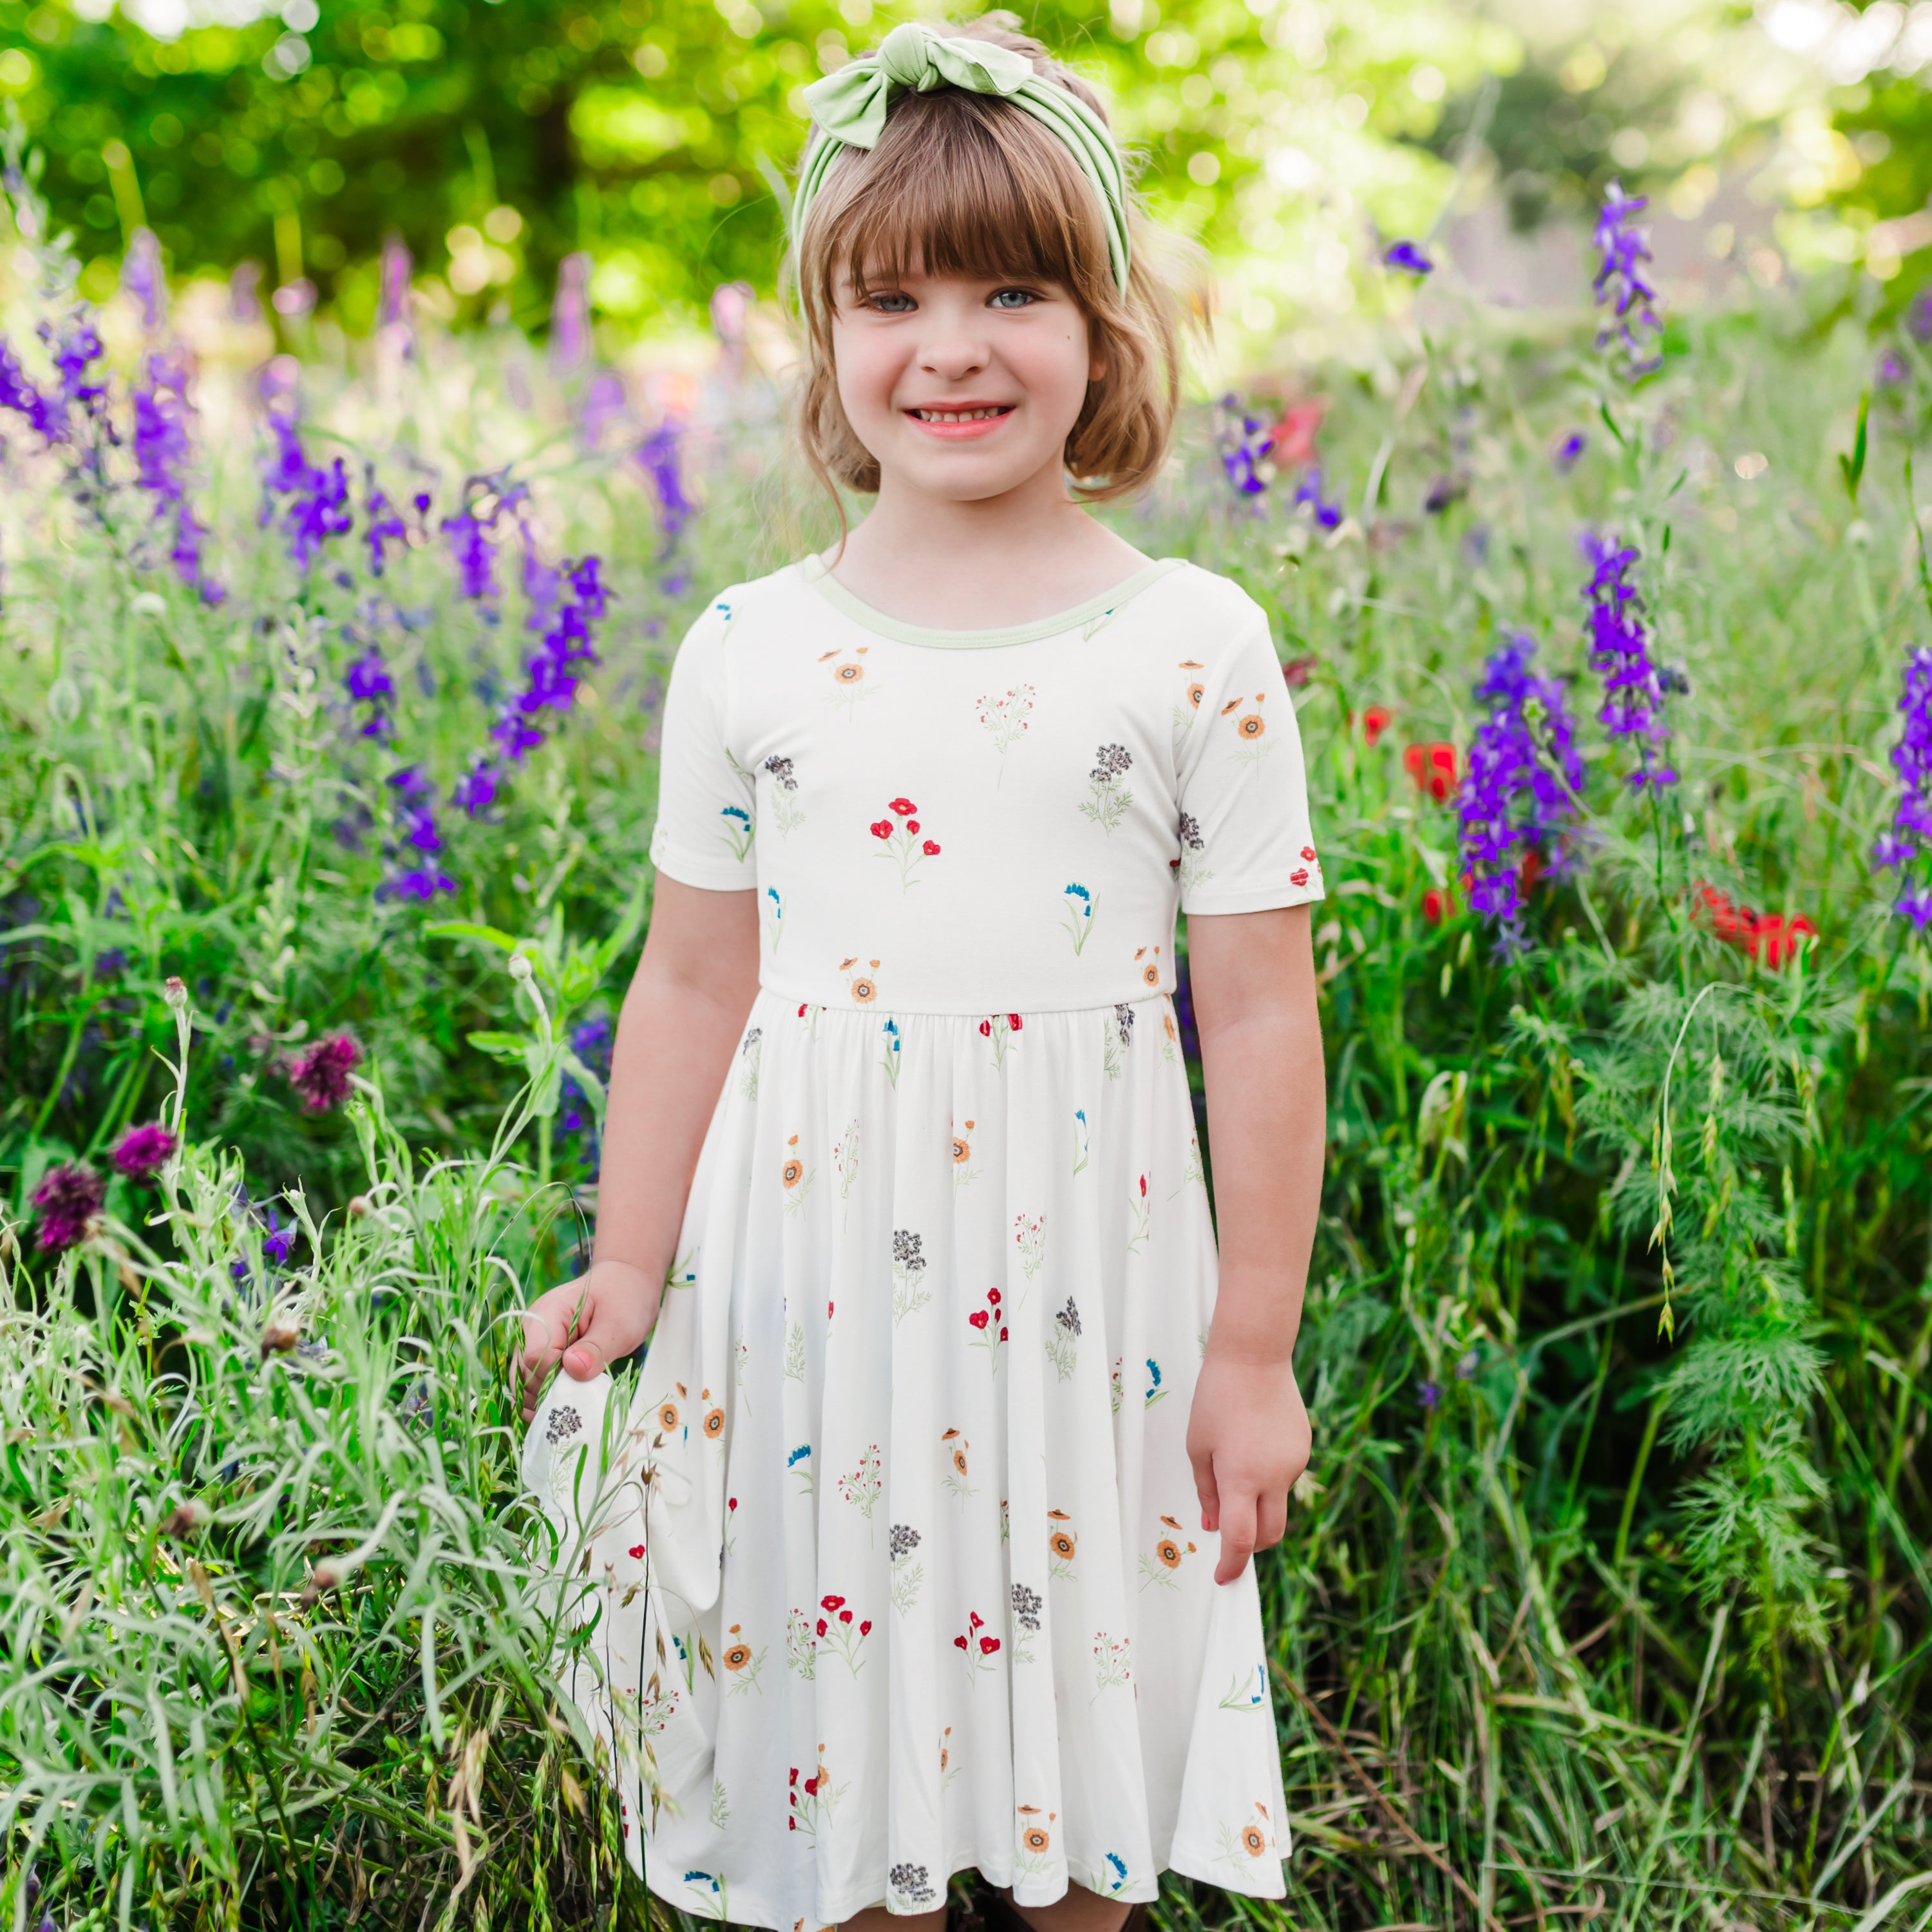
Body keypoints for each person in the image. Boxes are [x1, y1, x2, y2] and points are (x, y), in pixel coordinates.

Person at [516, 17, 1327, 1932]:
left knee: (1087, 1788)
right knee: (839, 1755)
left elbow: (1262, 1010)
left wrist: (1253, 1352)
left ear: (1106, 332)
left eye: (1014, 288)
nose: (950, 344)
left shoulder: (1195, 642)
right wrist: (632, 1265)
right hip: (811, 1297)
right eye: (891, 296)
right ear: (827, 339)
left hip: (1099, 1288)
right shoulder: (752, 650)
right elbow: (694, 981)